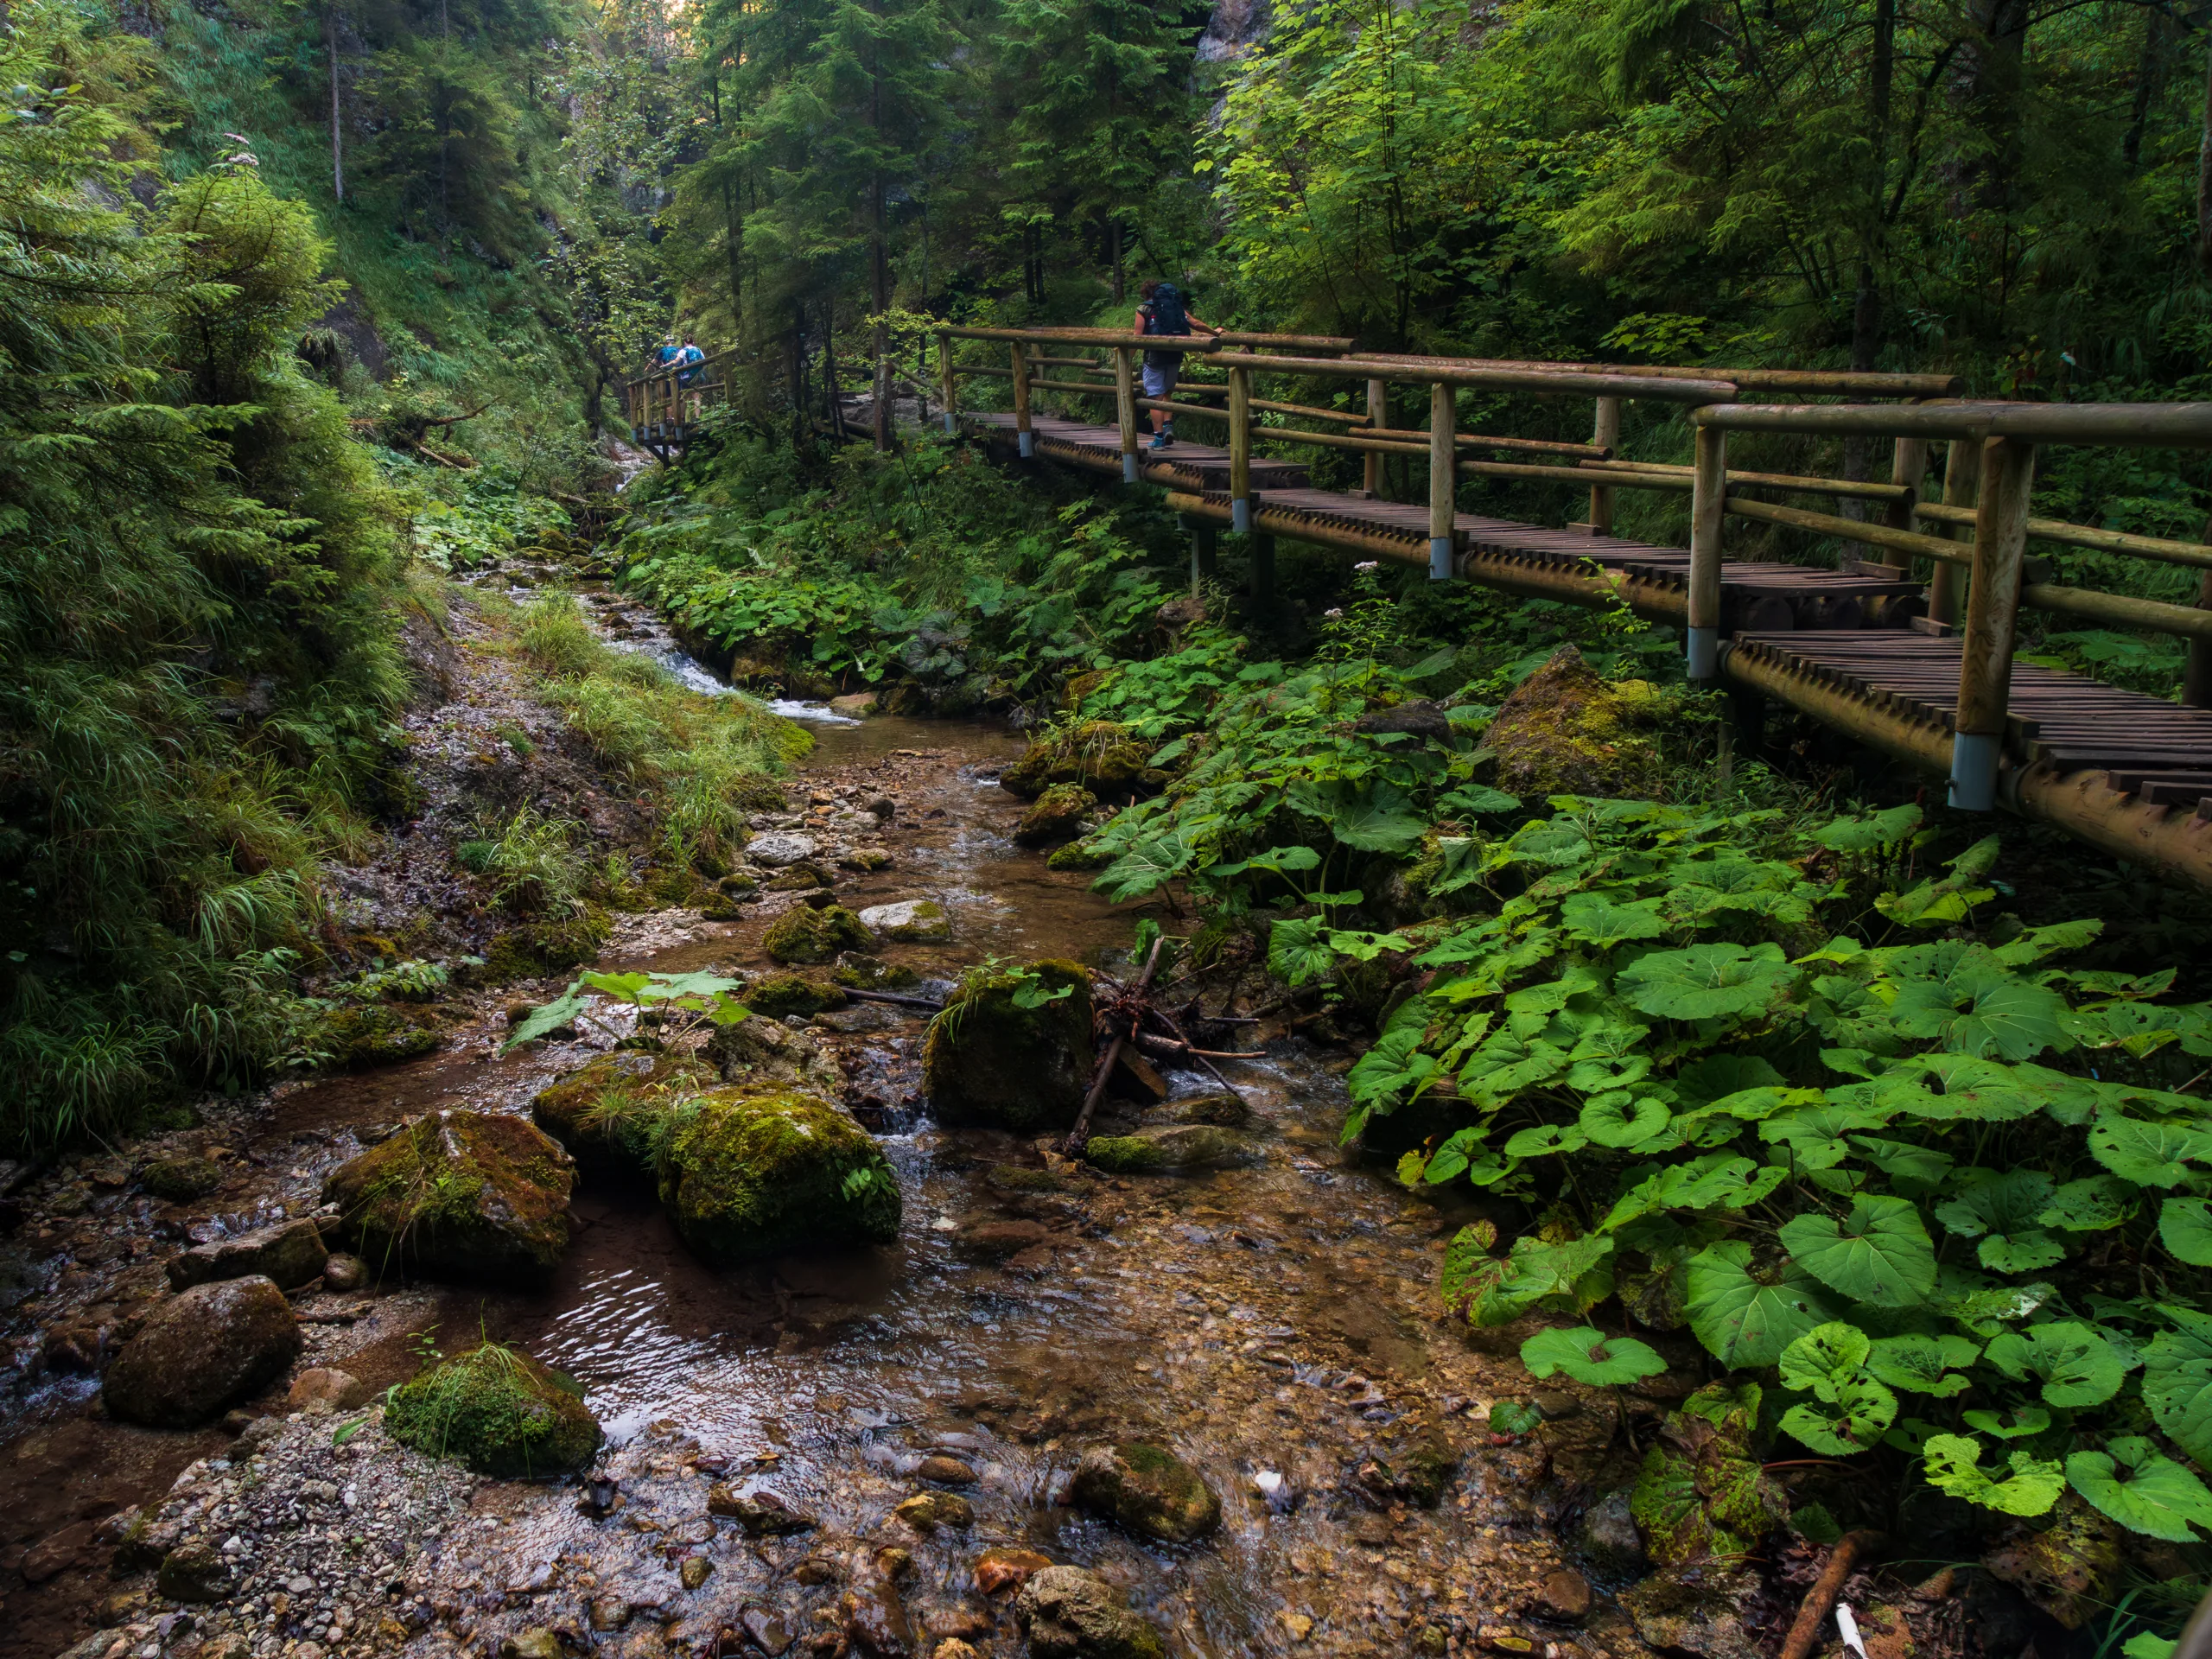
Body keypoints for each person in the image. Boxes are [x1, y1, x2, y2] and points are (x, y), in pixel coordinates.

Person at [1134, 280, 1218, 449]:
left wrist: (1125, 358)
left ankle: (1158, 439)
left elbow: (1137, 337)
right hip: (1175, 355)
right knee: (1167, 392)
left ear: (1145, 293)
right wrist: (1215, 332)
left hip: (1154, 358)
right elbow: (1195, 324)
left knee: (1154, 397)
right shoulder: (1175, 307)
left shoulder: (1143, 309)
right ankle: (1168, 426)